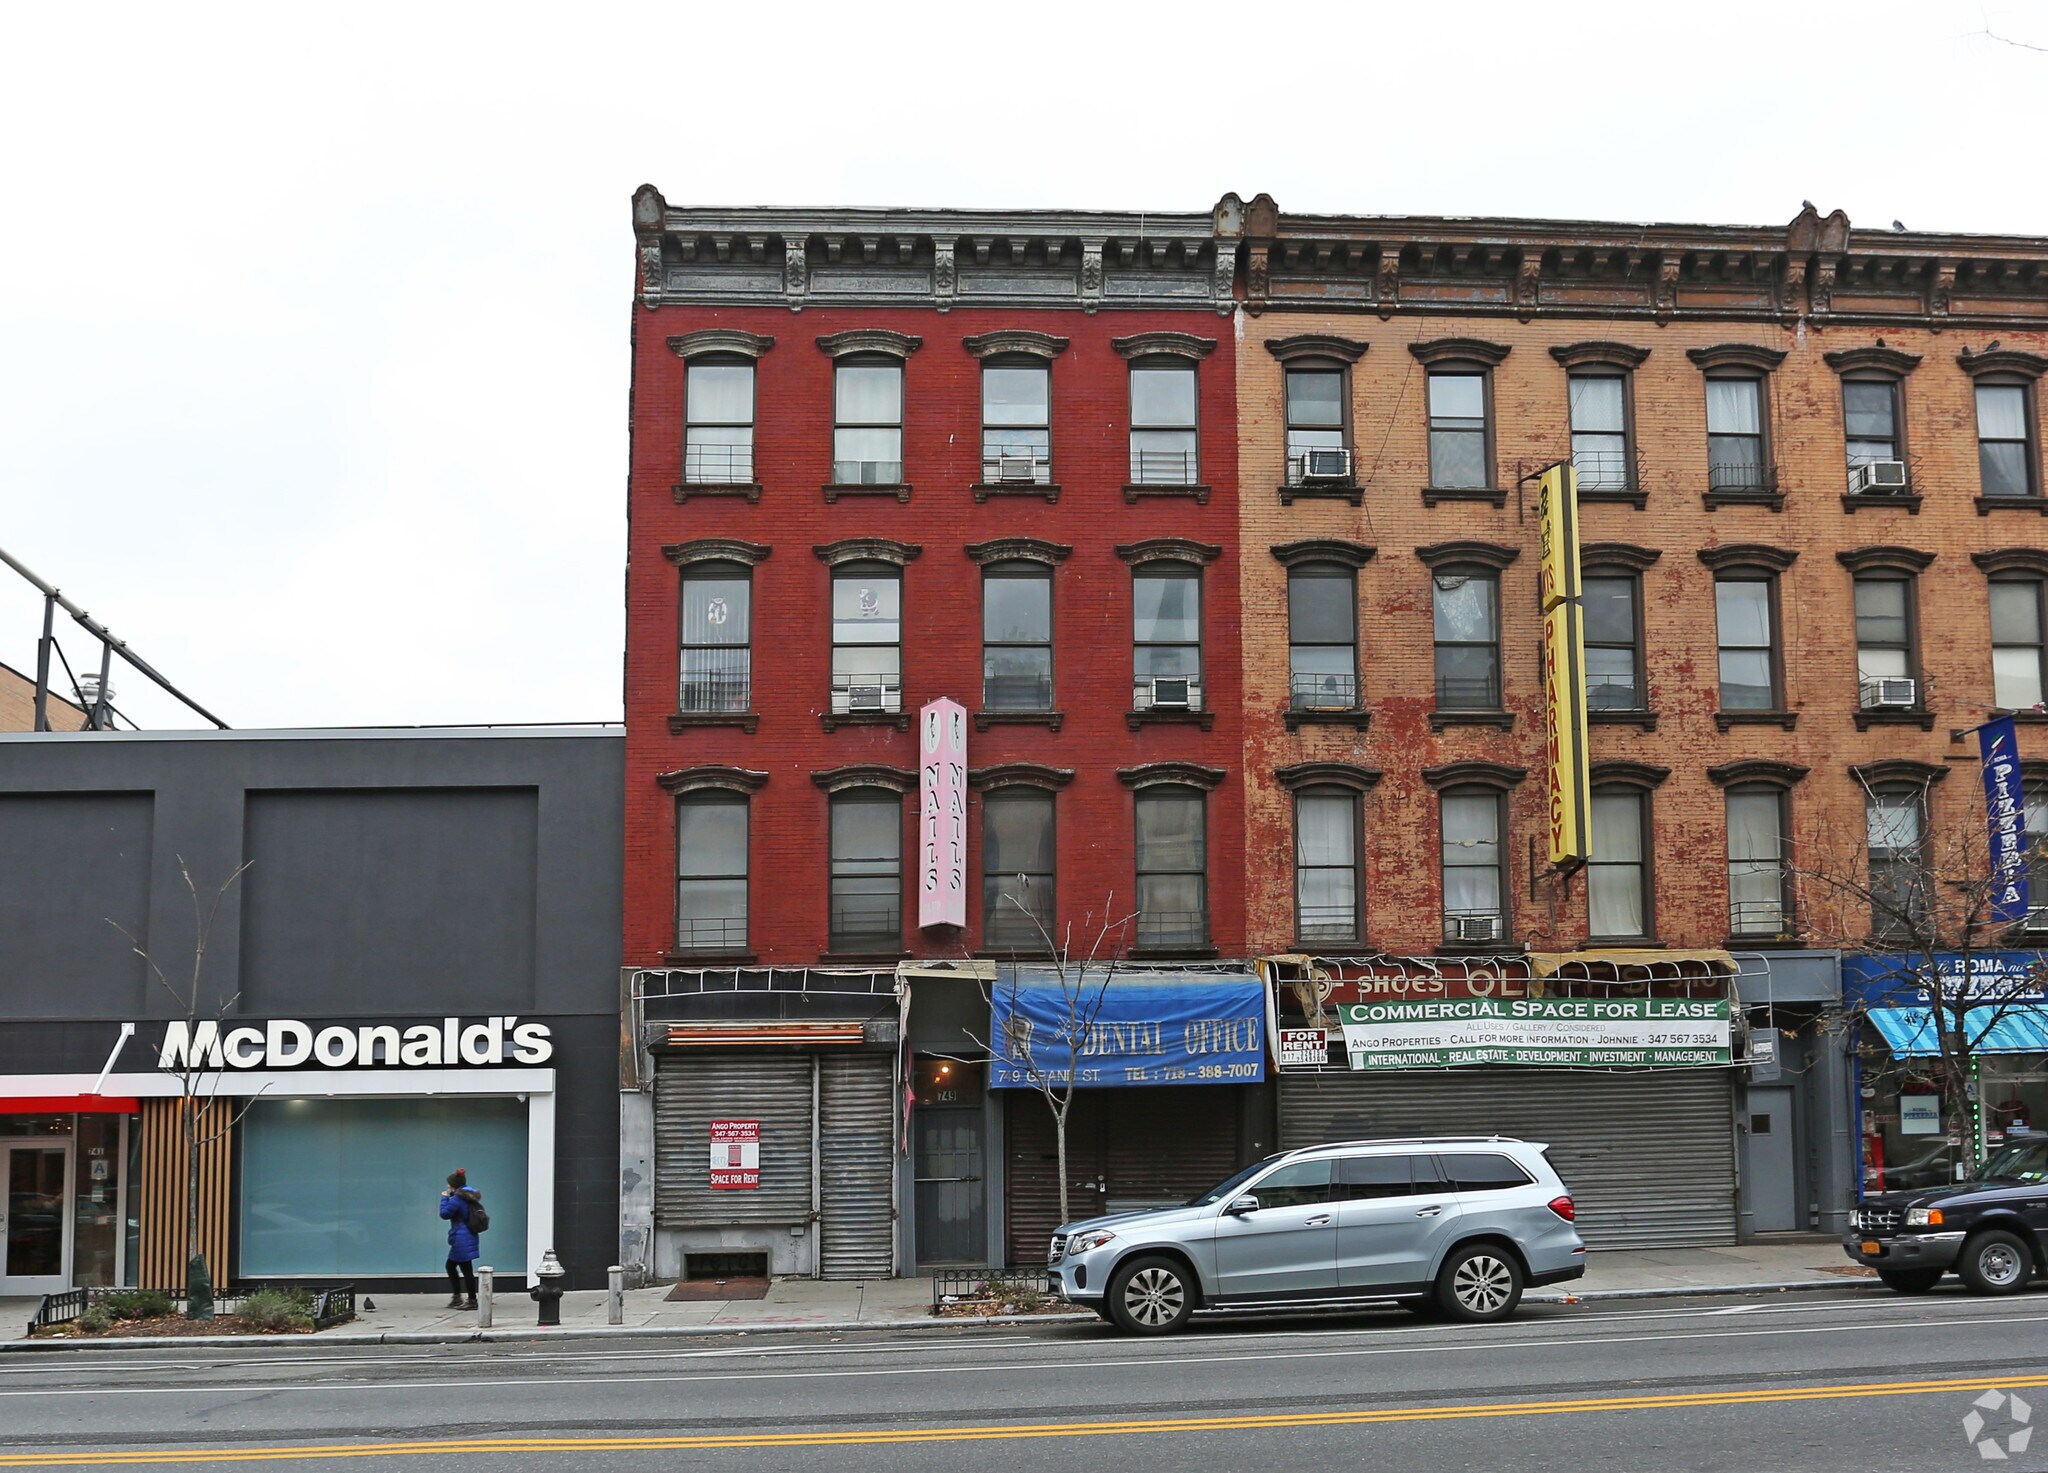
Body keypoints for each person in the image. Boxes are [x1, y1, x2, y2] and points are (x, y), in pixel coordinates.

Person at [439, 1169, 482, 1309]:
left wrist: (444, 1198)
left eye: (449, 1184)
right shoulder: (468, 1196)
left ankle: (470, 1300)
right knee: (454, 1266)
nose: (447, 1186)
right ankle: (460, 1297)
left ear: (454, 1185)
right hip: (469, 1235)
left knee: (463, 1268)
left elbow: (445, 1214)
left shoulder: (457, 1199)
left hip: (461, 1237)